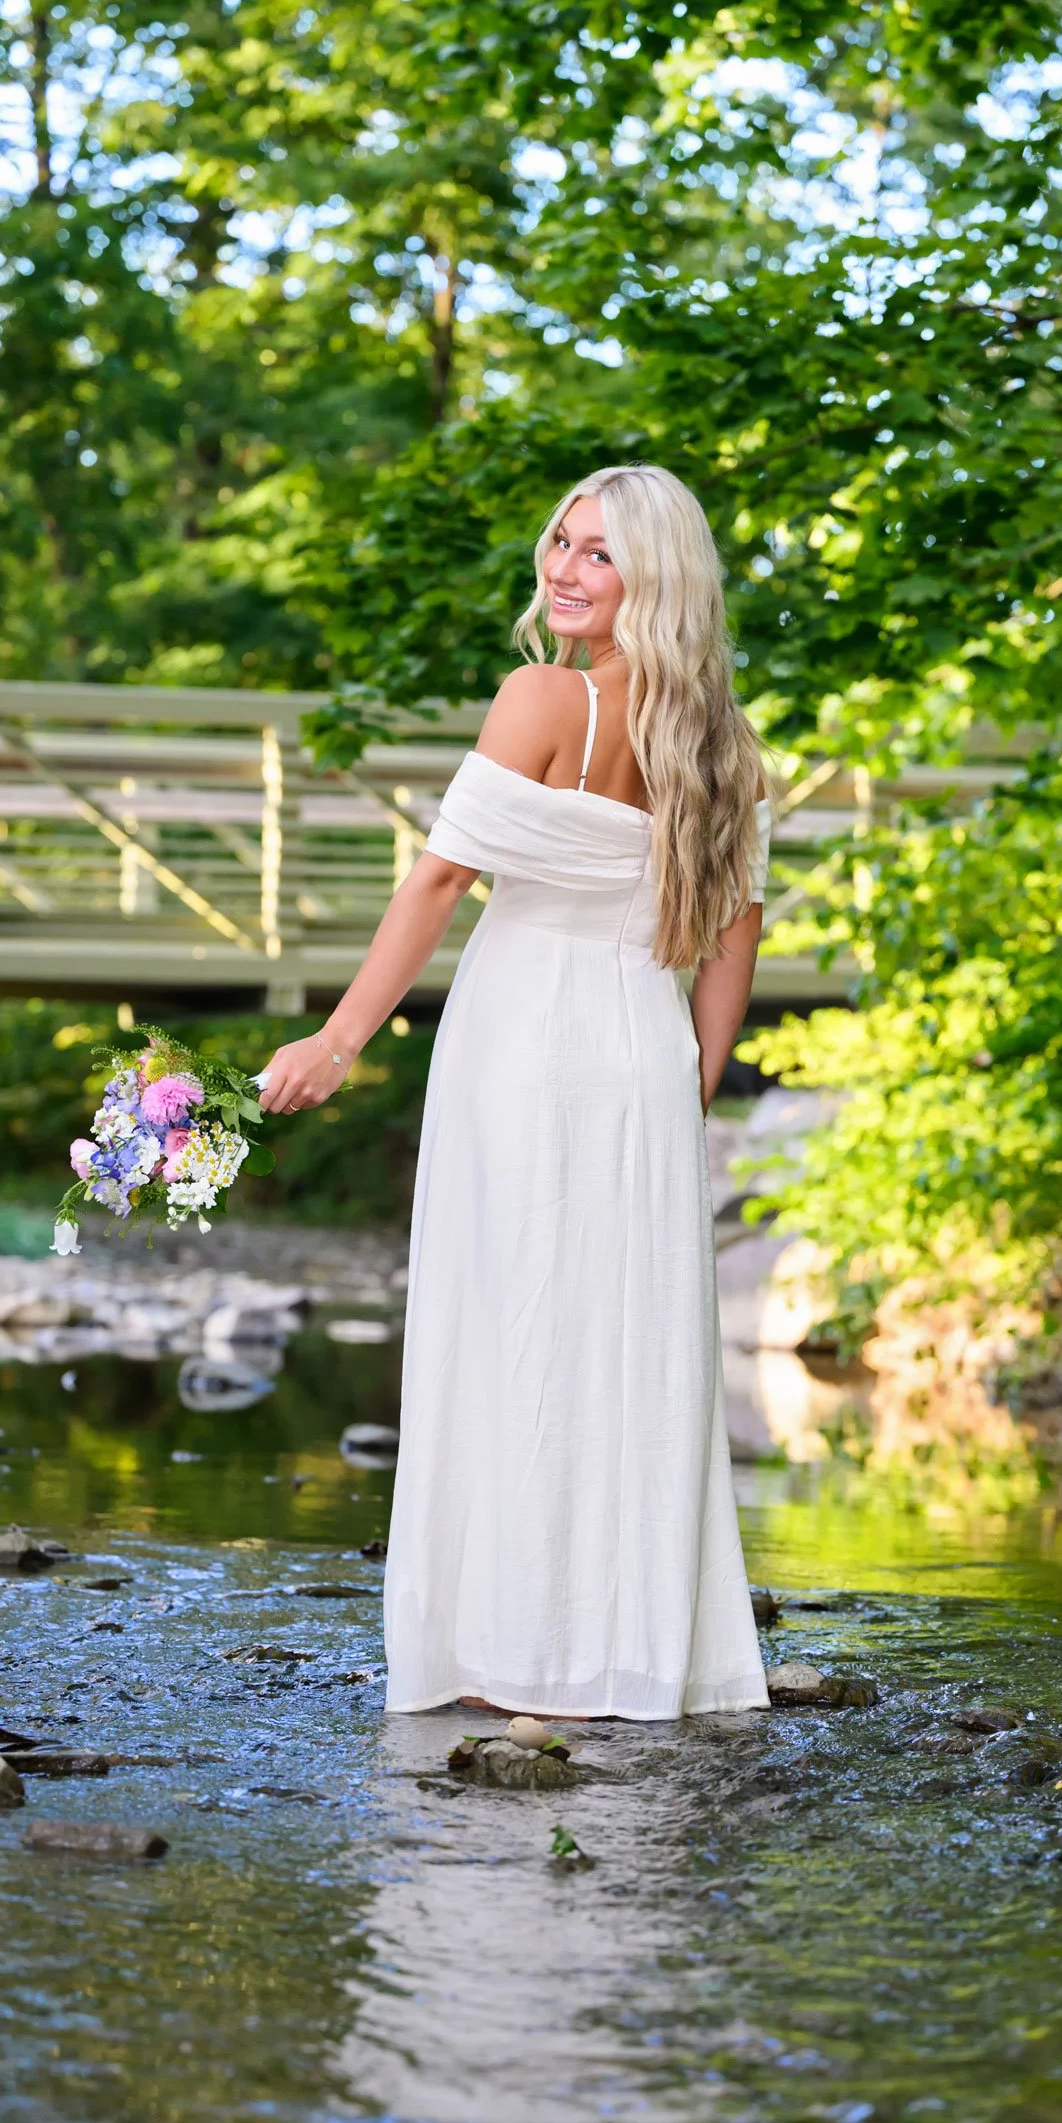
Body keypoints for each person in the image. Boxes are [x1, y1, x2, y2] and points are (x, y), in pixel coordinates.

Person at [260, 464, 772, 1719]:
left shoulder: (541, 697)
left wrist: (337, 1039)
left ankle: (498, 1651)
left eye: (597, 553)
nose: (561, 567)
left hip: (518, 1041)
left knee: (509, 1331)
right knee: (628, 1351)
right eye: (558, 540)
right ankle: (632, 1654)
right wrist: (683, 1093)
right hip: (641, 1054)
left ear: (653, 578)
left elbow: (438, 884)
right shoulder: (726, 745)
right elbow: (730, 949)